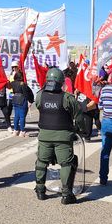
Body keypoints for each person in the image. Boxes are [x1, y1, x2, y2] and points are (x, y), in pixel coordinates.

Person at [34, 68, 84, 204]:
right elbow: (78, 116)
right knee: (67, 164)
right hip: (63, 137)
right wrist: (80, 130)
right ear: (62, 82)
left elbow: (39, 107)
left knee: (41, 162)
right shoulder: (67, 98)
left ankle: (40, 190)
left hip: (44, 136)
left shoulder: (40, 96)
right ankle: (66, 195)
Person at [10, 71, 34, 137]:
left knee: (16, 116)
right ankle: (22, 131)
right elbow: (26, 93)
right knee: (22, 116)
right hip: (22, 100)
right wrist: (30, 101)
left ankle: (15, 130)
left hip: (15, 99)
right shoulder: (22, 84)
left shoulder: (12, 83)